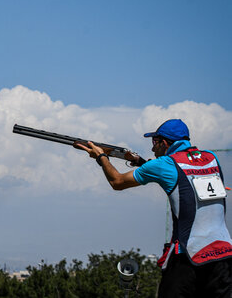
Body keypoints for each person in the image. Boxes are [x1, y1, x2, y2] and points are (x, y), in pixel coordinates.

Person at [76, 119, 232, 297]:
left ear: (164, 143)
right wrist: (139, 161)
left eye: (154, 143)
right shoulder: (211, 158)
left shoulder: (164, 164)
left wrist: (101, 157)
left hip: (187, 257)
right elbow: (182, 176)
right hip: (223, 256)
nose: (152, 149)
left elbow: (117, 182)